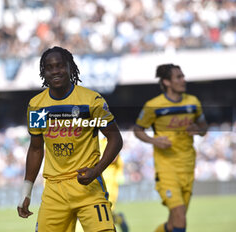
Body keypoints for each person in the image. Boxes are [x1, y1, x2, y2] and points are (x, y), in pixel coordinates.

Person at [17, 46, 123, 232]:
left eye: (60, 65)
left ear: (70, 68)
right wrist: (26, 192)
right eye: (49, 67)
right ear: (43, 72)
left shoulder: (91, 101)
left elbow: (115, 138)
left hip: (88, 186)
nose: (55, 71)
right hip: (54, 191)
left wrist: (96, 171)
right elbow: (35, 149)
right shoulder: (37, 106)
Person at [133, 64, 207, 232]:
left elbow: (204, 127)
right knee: (180, 216)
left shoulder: (193, 102)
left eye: (183, 76)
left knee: (174, 224)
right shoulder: (154, 105)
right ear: (166, 82)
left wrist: (199, 129)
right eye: (178, 77)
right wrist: (154, 141)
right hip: (166, 168)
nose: (183, 80)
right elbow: (137, 130)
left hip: (188, 167)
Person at [75, 136, 129, 232]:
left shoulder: (108, 141)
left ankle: (119, 219)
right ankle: (119, 218)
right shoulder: (90, 141)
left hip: (109, 184)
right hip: (92, 181)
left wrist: (94, 160)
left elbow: (113, 158)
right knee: (92, 213)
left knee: (106, 212)